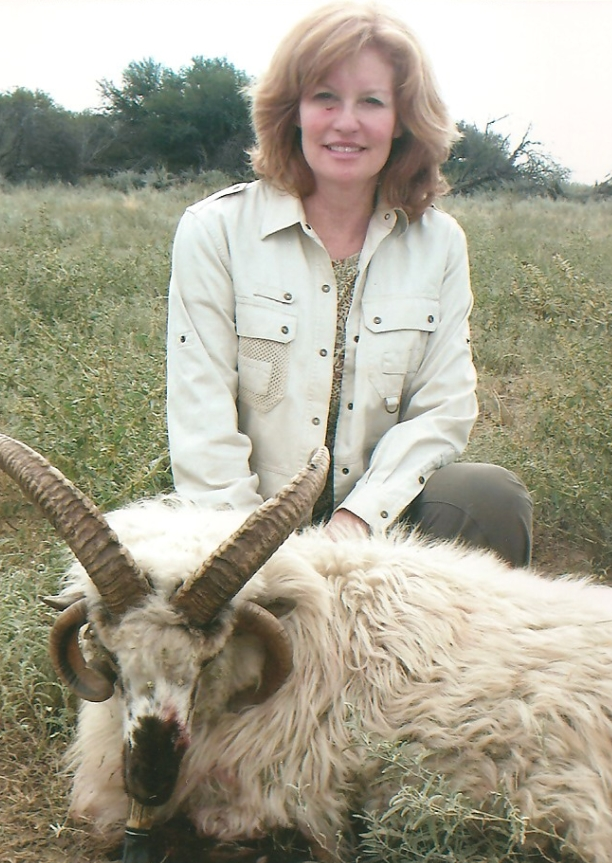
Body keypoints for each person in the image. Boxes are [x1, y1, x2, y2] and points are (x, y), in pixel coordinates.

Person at [165, 2, 532, 566]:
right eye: (324, 98)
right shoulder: (215, 230)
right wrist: (255, 556)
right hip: (245, 526)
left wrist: (358, 520)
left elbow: (443, 409)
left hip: (378, 524)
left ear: (403, 120)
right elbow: (201, 416)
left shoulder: (438, 242)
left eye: (372, 102)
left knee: (488, 500)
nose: (346, 122)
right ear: (293, 111)